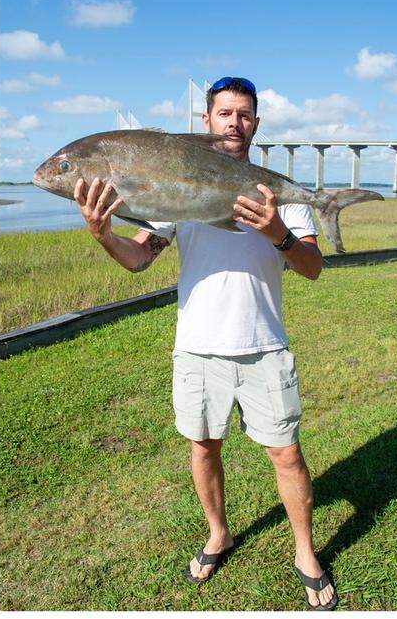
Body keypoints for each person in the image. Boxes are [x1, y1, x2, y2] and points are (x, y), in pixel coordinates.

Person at [72, 76, 338, 610]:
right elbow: (141, 256)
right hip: (196, 344)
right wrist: (103, 234)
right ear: (206, 122)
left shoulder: (277, 190)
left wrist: (276, 233)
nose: (234, 122)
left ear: (256, 124)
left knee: (286, 452)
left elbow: (311, 268)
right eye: (224, 113)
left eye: (244, 114)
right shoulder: (175, 184)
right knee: (203, 446)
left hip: (265, 344)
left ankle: (305, 553)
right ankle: (219, 533)